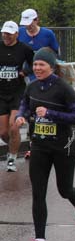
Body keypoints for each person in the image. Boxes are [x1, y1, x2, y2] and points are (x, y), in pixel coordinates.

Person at [14, 48, 75, 241]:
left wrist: (51, 114)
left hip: (62, 147)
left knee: (64, 190)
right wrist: (21, 116)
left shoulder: (63, 88)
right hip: (39, 147)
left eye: (42, 65)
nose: (37, 68)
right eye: (35, 65)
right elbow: (25, 106)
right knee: (38, 193)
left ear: (51, 66)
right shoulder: (32, 87)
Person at [1, 21, 35, 172]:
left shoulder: (24, 49)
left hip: (17, 92)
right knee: (3, 132)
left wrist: (25, 72)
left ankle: (11, 158)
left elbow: (35, 63)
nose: (5, 36)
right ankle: (15, 146)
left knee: (14, 127)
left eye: (9, 33)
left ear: (16, 34)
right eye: (4, 33)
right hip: (1, 93)